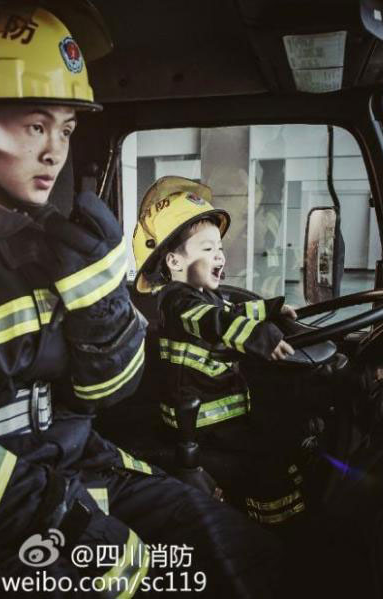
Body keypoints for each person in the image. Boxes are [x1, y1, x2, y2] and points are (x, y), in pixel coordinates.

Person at [0, 4, 281, 597]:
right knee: (154, 583)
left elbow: (109, 396)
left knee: (238, 556)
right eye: (35, 125)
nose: (55, 151)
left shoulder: (49, 242)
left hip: (63, 476)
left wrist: (102, 303)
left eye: (65, 128)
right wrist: (74, 520)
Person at [132, 176, 308, 529]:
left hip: (214, 412)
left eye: (219, 247)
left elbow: (231, 311)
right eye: (207, 249)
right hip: (204, 420)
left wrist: (270, 310)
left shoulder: (204, 294)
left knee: (274, 434)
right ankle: (276, 527)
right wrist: (259, 337)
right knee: (267, 455)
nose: (219, 255)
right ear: (173, 262)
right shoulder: (178, 302)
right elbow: (214, 322)